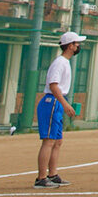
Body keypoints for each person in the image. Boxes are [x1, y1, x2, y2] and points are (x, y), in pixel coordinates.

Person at [35, 30, 85, 188]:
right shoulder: (60, 62)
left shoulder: (65, 62)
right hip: (52, 101)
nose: (78, 46)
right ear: (70, 46)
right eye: (77, 44)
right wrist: (64, 103)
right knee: (48, 141)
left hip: (56, 102)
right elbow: (53, 85)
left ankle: (53, 174)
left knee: (57, 141)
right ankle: (41, 178)